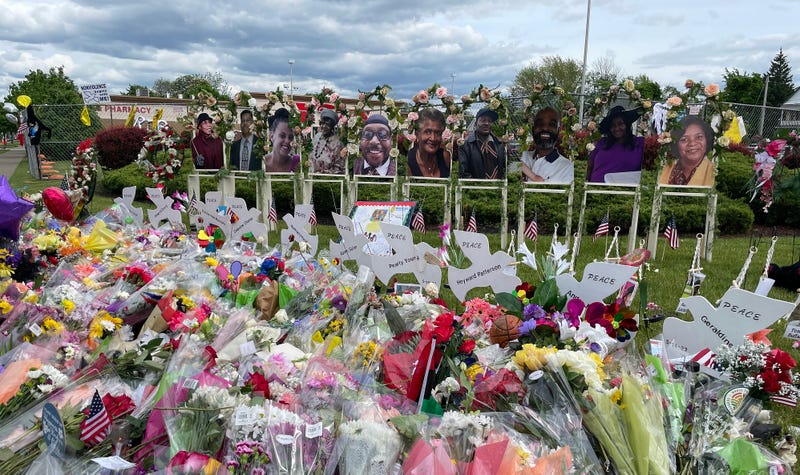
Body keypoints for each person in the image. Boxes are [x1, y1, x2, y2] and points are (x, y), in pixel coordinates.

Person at [586, 106, 644, 183]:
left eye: (620, 124)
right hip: (595, 190)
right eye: (613, 125)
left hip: (625, 192)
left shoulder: (639, 143)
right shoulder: (602, 143)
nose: (617, 128)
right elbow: (590, 166)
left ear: (627, 124)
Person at [520, 106, 574, 184]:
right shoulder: (523, 156)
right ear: (533, 129)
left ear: (558, 131)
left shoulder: (567, 168)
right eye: (539, 124)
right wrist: (533, 177)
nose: (545, 128)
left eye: (552, 124)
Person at [658, 115, 715, 186]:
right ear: (676, 144)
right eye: (684, 139)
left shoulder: (714, 171)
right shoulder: (667, 168)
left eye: (699, 137)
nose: (692, 143)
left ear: (707, 140)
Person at [458, 107, 505, 179]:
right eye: (483, 120)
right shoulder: (466, 145)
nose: (486, 123)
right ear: (476, 123)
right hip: (476, 188)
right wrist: (478, 187)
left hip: (498, 188)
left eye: (489, 121)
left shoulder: (499, 145)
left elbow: (503, 169)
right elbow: (464, 172)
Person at [407, 108, 450, 178]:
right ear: (417, 135)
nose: (433, 138)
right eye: (427, 132)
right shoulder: (408, 161)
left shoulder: (446, 157)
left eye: (437, 133)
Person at [264, 108, 299, 173]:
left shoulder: (297, 163)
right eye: (282, 136)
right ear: (271, 136)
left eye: (290, 137)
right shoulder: (262, 162)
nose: (287, 141)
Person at [310, 108, 344, 174]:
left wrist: (323, 173)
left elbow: (339, 167)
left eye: (327, 124)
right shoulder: (317, 137)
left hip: (328, 180)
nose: (324, 126)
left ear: (332, 127)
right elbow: (311, 155)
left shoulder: (337, 143)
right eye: (322, 123)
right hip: (311, 176)